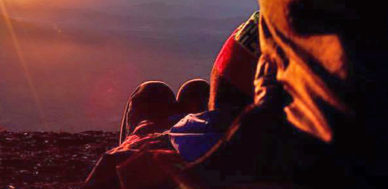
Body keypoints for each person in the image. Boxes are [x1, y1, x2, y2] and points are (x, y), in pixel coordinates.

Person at [85, 0, 388, 188]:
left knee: (151, 102)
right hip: (305, 130)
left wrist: (183, 159)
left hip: (296, 146)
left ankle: (175, 130)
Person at [84, 12, 261, 189]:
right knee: (196, 92)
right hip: (253, 136)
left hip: (188, 157)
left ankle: (200, 129)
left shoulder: (135, 166)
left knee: (153, 92)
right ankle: (209, 126)